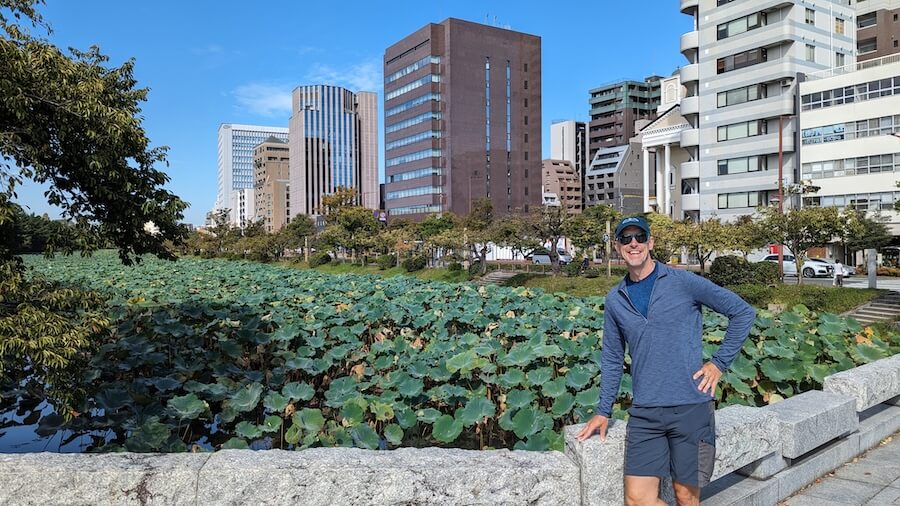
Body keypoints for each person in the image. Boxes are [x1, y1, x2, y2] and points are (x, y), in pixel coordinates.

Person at [576, 215, 755, 506]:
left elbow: (742, 312)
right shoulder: (615, 299)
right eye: (626, 238)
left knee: (685, 496)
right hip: (645, 411)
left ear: (650, 242)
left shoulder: (683, 282)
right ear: (618, 246)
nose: (633, 244)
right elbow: (611, 358)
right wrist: (603, 411)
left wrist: (719, 363)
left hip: (690, 407)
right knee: (637, 500)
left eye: (640, 237)